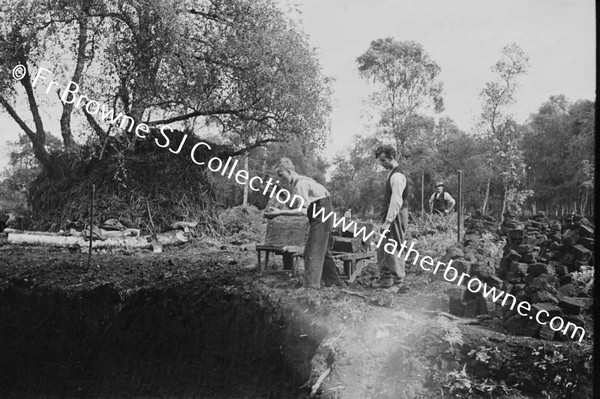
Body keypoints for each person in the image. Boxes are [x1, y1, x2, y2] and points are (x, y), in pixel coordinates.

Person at [264, 158, 343, 289]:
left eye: (282, 175)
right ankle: (334, 282)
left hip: (321, 211)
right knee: (322, 249)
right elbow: (295, 205)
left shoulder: (300, 184)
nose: (281, 179)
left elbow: (303, 211)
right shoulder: (298, 183)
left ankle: (310, 287)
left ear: (289, 172)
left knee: (312, 250)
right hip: (321, 210)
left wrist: (279, 213)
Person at [374, 145, 407, 289]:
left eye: (383, 161)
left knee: (394, 246)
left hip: (396, 215)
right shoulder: (391, 173)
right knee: (382, 247)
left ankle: (398, 282)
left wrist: (388, 221)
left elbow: (396, 201)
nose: (382, 164)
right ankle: (385, 280)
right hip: (389, 214)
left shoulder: (397, 176)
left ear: (391, 158)